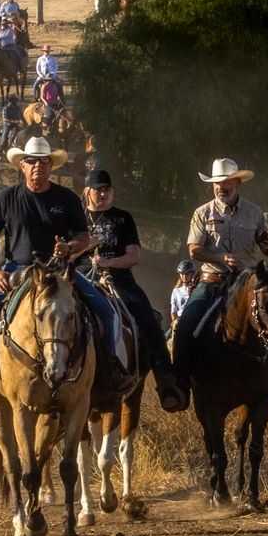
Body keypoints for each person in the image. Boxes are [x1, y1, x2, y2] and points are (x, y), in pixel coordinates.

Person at [0, 136, 123, 404]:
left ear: (51, 166)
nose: (38, 166)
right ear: (22, 166)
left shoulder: (67, 198)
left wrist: (69, 248)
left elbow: (83, 236)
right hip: (16, 269)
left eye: (44, 161)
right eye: (32, 161)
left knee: (103, 308)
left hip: (59, 270)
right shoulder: (6, 198)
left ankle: (109, 371)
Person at [170, 158, 268, 402]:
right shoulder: (202, 213)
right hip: (213, 279)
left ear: (237, 183)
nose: (221, 187)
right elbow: (193, 249)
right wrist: (219, 256)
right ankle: (179, 383)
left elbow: (267, 249)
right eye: (216, 183)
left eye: (226, 182)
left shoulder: (255, 213)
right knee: (185, 324)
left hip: (248, 280)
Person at [82, 169, 188, 411]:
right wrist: (86, 248)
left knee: (148, 319)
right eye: (98, 190)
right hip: (82, 279)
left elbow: (134, 256)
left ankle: (166, 381)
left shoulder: (122, 218)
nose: (103, 194)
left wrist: (108, 263)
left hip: (118, 279)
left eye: (107, 190)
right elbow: (66, 253)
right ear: (87, 191)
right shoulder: (76, 219)